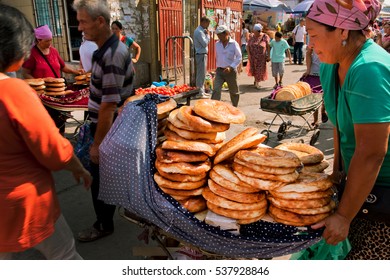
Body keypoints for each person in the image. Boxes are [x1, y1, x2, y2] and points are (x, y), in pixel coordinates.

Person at [0, 4, 92, 259]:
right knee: (64, 256)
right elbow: (53, 148)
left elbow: (64, 68)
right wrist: (78, 168)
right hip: (25, 200)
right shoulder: (14, 92)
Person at [306, 0, 390, 259]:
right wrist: (336, 177)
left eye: (314, 35)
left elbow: (371, 152)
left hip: (382, 195)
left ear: (342, 31)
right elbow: (341, 128)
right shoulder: (332, 64)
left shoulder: (369, 68)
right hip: (356, 189)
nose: (310, 45)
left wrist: (343, 215)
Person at [73, 0, 135, 242]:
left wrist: (98, 144)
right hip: (109, 124)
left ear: (100, 21)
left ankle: (103, 224)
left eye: (83, 22)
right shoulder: (106, 50)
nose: (79, 28)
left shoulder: (110, 55)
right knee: (106, 176)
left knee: (100, 179)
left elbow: (108, 106)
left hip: (108, 127)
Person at [22, 24, 84, 134]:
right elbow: (26, 73)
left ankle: (61, 139)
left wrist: (76, 72)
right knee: (47, 122)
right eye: (47, 41)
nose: (50, 43)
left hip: (58, 93)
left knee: (60, 120)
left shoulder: (54, 51)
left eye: (51, 40)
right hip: (43, 96)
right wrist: (38, 84)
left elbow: (63, 67)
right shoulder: (32, 54)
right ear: (39, 40)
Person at [211, 25, 242, 107]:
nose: (219, 37)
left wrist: (231, 67)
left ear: (226, 34)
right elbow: (218, 57)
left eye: (220, 35)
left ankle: (235, 107)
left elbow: (239, 57)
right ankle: (214, 107)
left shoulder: (234, 44)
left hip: (230, 71)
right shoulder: (217, 44)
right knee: (216, 90)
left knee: (234, 91)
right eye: (218, 35)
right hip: (220, 71)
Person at [300, 46, 328, 126]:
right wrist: (308, 69)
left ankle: (323, 111)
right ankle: (315, 120)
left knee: (325, 96)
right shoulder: (313, 38)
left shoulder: (331, 37)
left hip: (326, 72)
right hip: (313, 73)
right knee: (314, 97)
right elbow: (308, 53)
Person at [246, 23, 270, 89]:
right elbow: (248, 45)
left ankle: (257, 82)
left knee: (259, 69)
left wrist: (268, 55)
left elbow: (268, 46)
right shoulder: (252, 36)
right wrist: (249, 54)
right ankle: (255, 80)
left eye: (255, 31)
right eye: (254, 31)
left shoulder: (265, 36)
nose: (254, 32)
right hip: (253, 56)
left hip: (261, 57)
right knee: (254, 69)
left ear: (259, 31)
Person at [193, 16, 211, 98]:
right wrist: (208, 36)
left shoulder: (201, 31)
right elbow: (205, 43)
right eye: (207, 23)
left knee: (203, 74)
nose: (208, 25)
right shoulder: (199, 32)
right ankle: (199, 92)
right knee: (201, 74)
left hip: (202, 54)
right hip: (200, 54)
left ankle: (202, 91)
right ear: (203, 22)